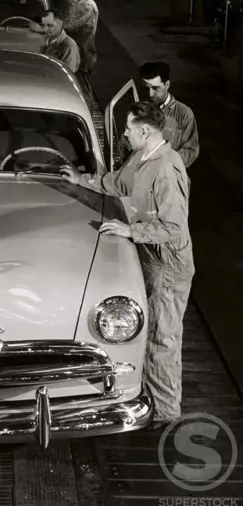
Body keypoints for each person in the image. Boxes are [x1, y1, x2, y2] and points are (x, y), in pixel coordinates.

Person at [60, 102, 194, 428]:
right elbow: (117, 184)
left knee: (163, 338)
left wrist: (129, 230)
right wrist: (81, 180)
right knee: (148, 331)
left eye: (129, 128)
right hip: (150, 257)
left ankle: (165, 415)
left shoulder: (167, 167)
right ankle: (148, 396)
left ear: (145, 131)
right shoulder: (142, 157)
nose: (124, 133)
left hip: (168, 263)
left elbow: (174, 226)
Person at [139, 61, 199, 168]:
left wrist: (164, 164)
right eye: (146, 88)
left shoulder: (184, 114)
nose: (150, 94)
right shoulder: (138, 111)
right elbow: (125, 145)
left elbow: (190, 151)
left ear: (167, 85)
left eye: (155, 88)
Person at [63, 0, 99, 76]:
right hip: (79, 56)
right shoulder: (79, 4)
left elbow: (70, 26)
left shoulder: (87, 7)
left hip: (82, 59)